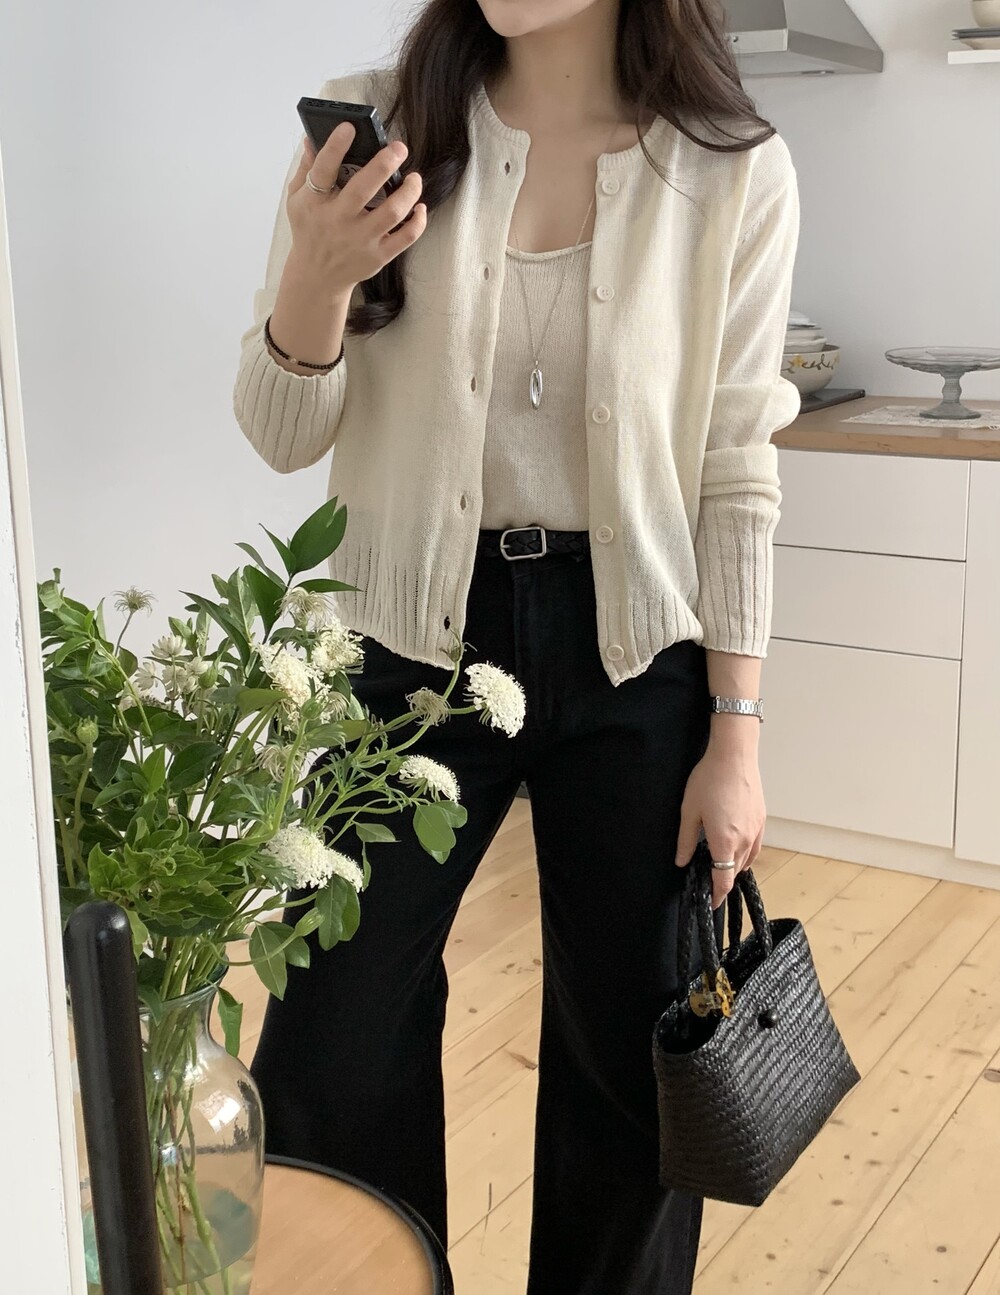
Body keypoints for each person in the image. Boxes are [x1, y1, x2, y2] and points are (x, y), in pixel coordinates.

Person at [232, 1, 801, 1290]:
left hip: (637, 651)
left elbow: (736, 469)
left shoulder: (732, 169)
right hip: (407, 639)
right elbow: (281, 432)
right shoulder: (378, 126)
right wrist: (316, 273)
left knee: (633, 1058)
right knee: (331, 1031)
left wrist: (736, 733)